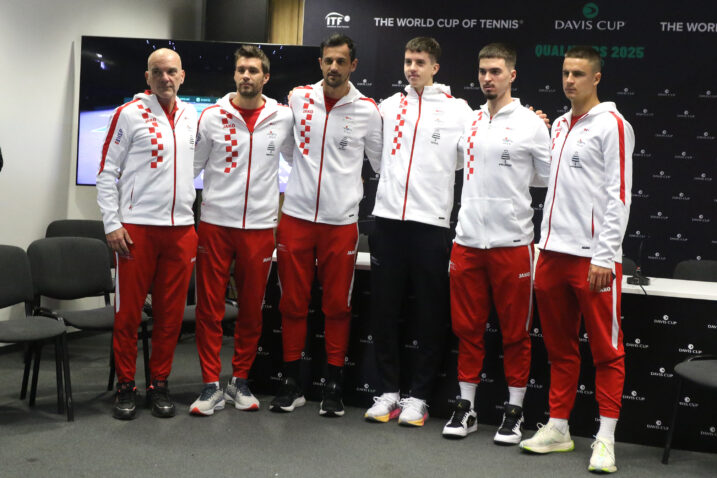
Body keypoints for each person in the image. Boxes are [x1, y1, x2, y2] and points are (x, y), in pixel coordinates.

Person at [518, 46, 634, 474]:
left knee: (607, 351)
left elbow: (618, 196)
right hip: (550, 254)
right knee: (560, 349)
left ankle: (605, 439)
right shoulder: (560, 124)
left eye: (579, 74)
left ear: (596, 78)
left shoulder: (614, 126)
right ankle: (559, 426)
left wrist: (605, 255)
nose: (570, 81)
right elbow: (546, 182)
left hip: (593, 260)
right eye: (566, 73)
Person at [442, 43, 550, 442]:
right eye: (483, 71)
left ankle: (514, 411)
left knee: (515, 333)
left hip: (512, 243)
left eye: (496, 71)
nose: (488, 78)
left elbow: (546, 177)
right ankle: (466, 407)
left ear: (512, 75)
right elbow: (453, 163)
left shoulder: (531, 124)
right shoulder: (469, 122)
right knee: (467, 328)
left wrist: (511, 189)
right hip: (467, 240)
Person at [271, 34, 382, 417]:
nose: (333, 67)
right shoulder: (298, 98)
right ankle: (291, 384)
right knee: (292, 304)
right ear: (320, 63)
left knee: (337, 305)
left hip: (340, 223)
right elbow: (288, 148)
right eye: (328, 61)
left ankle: (333, 387)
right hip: (297, 218)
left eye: (341, 61)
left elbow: (381, 162)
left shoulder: (368, 110)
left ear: (353, 65)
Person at [364, 37, 472, 427]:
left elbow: (468, 156)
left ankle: (420, 396)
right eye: (408, 61)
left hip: (432, 225)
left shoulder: (460, 110)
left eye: (420, 62)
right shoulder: (388, 107)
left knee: (430, 313)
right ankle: (389, 391)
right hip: (389, 221)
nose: (412, 68)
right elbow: (378, 156)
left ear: (435, 67)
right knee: (385, 310)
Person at [189, 45, 295, 416]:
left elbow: (301, 162)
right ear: (234, 75)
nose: (246, 75)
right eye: (241, 70)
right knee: (210, 308)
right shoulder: (212, 117)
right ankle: (208, 383)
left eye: (253, 70)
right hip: (216, 225)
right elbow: (190, 168)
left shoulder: (283, 118)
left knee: (251, 308)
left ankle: (240, 380)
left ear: (265, 77)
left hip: (260, 227)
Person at [97, 48, 198, 420]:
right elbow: (107, 172)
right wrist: (112, 222)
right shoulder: (129, 115)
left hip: (181, 230)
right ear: (147, 77)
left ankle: (159, 383)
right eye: (158, 72)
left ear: (182, 76)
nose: (165, 78)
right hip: (136, 230)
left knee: (171, 316)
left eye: (171, 71)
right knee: (127, 315)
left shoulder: (193, 116)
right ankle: (126, 385)